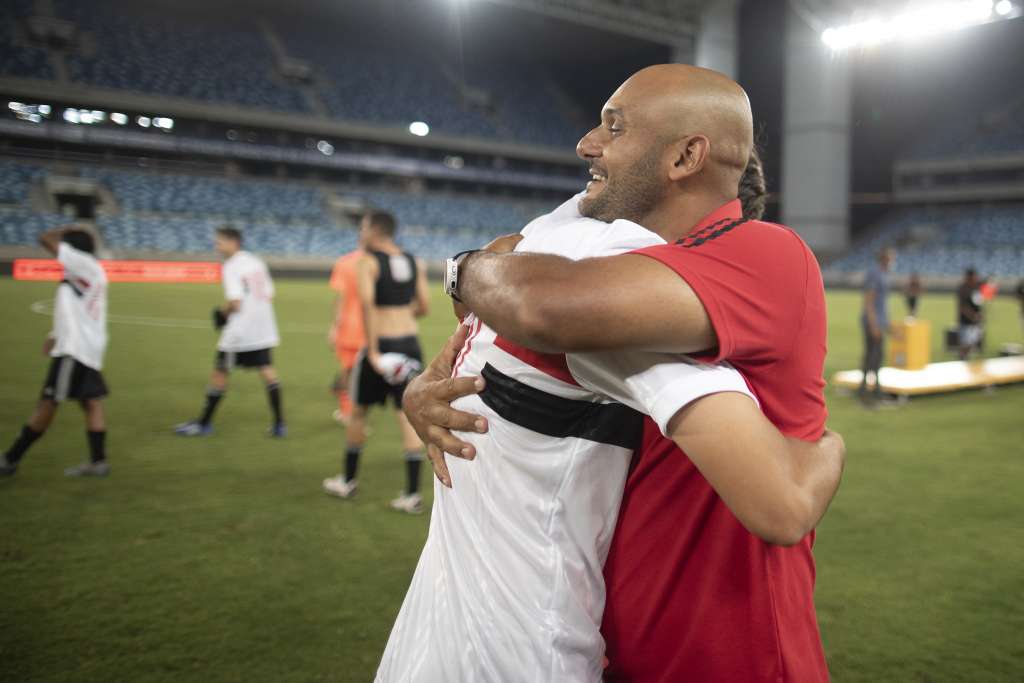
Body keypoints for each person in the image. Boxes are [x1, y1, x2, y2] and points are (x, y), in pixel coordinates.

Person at [403, 65, 841, 682]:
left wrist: (466, 267)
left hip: (729, 652)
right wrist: (430, 387)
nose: (587, 143)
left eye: (615, 126)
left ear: (687, 156)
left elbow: (540, 306)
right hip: (613, 637)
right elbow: (509, 310)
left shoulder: (762, 251)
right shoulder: (622, 263)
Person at [322, 211, 430, 514]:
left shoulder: (366, 262)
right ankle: (411, 495)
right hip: (410, 343)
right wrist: (402, 315)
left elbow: (367, 306)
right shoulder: (415, 262)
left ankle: (347, 480)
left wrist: (371, 350)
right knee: (406, 416)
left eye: (363, 227)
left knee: (357, 413)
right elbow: (424, 306)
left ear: (374, 230)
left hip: (380, 346)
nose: (360, 232)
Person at [1, 226, 110, 477]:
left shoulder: (79, 261)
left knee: (48, 402)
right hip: (88, 347)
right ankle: (98, 462)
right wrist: (53, 336)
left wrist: (69, 228)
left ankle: (10, 459)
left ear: (71, 248)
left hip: (74, 348)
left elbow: (44, 238)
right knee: (91, 402)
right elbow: (74, 309)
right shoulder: (89, 267)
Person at [175, 227, 285, 437]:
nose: (217, 246)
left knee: (220, 371)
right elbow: (269, 294)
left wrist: (222, 314)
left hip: (240, 331)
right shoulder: (256, 262)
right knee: (267, 370)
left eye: (220, 242)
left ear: (233, 242)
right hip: (263, 327)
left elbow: (235, 301)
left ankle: (204, 424)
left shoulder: (231, 266)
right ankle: (279, 425)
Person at [328, 238, 367, 426]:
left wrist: (334, 327)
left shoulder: (345, 262)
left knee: (350, 371)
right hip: (375, 328)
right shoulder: (380, 262)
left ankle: (347, 410)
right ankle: (354, 412)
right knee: (361, 373)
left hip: (350, 328)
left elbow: (340, 298)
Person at [860, 247, 895, 404]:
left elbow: (882, 304)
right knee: (874, 355)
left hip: (879, 321)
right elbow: (869, 301)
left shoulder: (883, 274)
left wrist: (887, 324)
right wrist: (874, 324)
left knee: (874, 355)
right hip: (873, 322)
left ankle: (866, 388)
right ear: (885, 258)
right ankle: (872, 390)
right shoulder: (875, 274)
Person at [957, 267, 983, 360]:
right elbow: (962, 307)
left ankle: (965, 358)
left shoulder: (977, 288)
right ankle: (961, 360)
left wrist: (979, 315)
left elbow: (978, 303)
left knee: (973, 343)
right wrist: (973, 316)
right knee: (966, 344)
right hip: (966, 321)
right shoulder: (963, 289)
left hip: (975, 322)